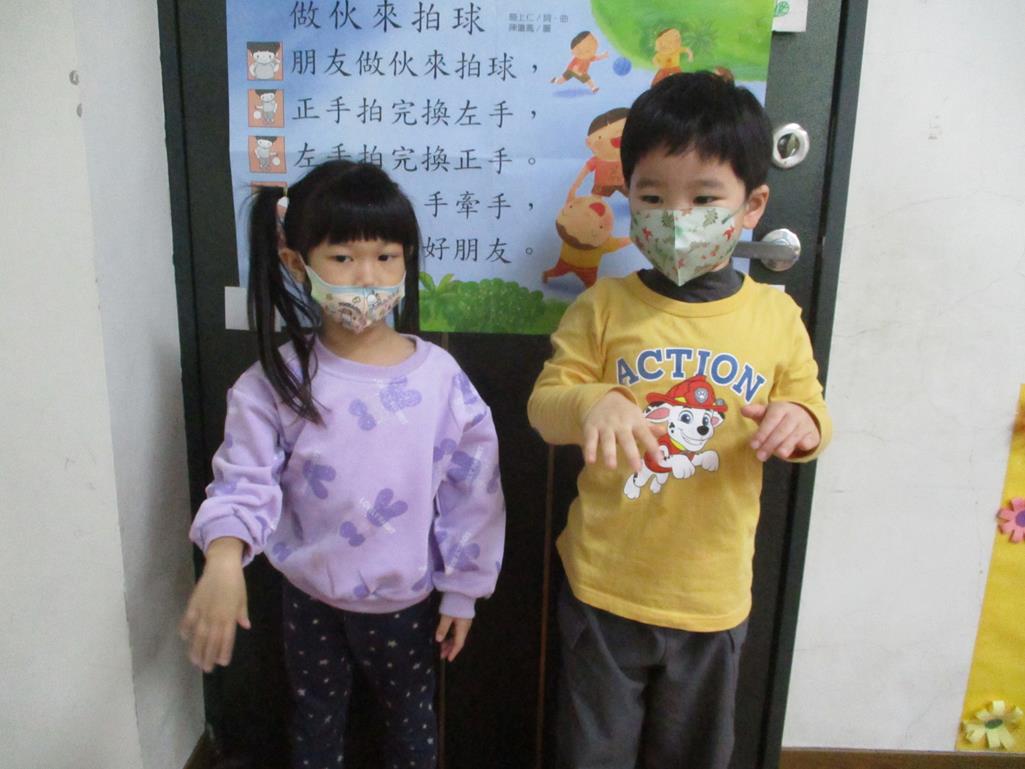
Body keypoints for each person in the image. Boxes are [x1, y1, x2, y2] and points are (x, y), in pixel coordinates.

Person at [527, 72, 832, 769]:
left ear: (752, 205)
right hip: (604, 587)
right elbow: (545, 407)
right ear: (628, 198)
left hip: (709, 597)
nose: (675, 217)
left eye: (704, 198)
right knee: (590, 753)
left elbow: (811, 410)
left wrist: (798, 422)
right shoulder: (604, 306)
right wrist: (593, 401)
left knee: (695, 753)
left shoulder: (775, 316)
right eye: (653, 197)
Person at [179, 161, 506, 769]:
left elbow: (474, 491)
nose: (367, 276)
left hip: (406, 602)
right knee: (314, 719)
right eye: (343, 257)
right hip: (308, 599)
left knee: (411, 722)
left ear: (407, 260)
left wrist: (464, 590)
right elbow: (243, 480)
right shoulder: (273, 383)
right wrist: (223, 556)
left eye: (386, 256)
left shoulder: (440, 378)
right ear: (296, 263)